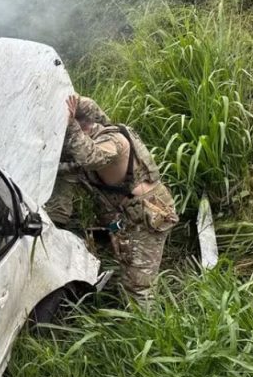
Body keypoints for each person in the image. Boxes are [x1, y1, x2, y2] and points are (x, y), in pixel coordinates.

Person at [60, 94, 178, 302]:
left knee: (140, 286)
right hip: (134, 214)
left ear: (84, 127)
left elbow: (89, 157)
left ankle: (148, 330)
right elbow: (73, 165)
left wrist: (70, 126)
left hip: (148, 213)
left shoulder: (112, 140)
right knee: (130, 271)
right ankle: (137, 314)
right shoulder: (100, 133)